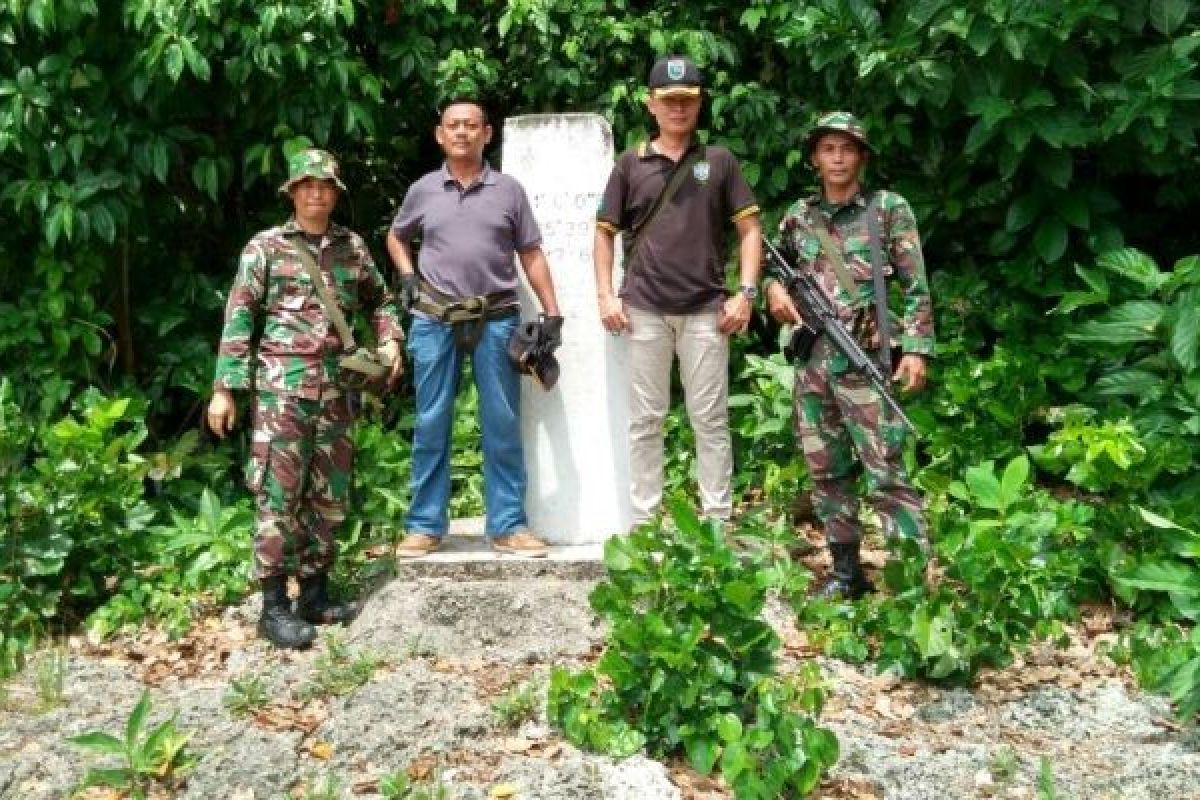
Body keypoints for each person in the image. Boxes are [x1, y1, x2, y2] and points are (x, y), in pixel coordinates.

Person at [207, 148, 404, 648]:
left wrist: (391, 340)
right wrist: (225, 389)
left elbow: (379, 300)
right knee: (278, 496)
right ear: (293, 192)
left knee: (327, 495)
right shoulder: (265, 248)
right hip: (281, 393)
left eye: (326, 185)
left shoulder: (351, 247)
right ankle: (273, 607)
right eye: (308, 185)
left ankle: (313, 595)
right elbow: (239, 318)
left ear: (336, 193)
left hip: (336, 390)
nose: (317, 193)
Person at [764, 111, 935, 599]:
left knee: (887, 473)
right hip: (814, 364)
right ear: (816, 158)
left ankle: (909, 585)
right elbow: (773, 263)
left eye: (847, 149)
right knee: (826, 473)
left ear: (861, 157)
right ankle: (846, 575)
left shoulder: (887, 210)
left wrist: (917, 349)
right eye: (828, 149)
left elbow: (916, 285)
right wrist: (774, 291)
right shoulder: (799, 217)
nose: (837, 158)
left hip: (869, 362)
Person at [386, 97, 563, 559]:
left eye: (471, 125)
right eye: (453, 125)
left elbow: (531, 253)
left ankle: (507, 525)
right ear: (440, 135)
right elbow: (396, 234)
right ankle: (425, 524)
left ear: (487, 134)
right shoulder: (423, 189)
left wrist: (551, 311)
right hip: (434, 319)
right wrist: (406, 274)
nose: (462, 132)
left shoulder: (508, 191)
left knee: (502, 422)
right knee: (431, 421)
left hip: (497, 317)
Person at [593, 55, 762, 526]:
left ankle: (717, 522)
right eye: (669, 101)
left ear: (699, 103)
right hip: (644, 309)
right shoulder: (630, 164)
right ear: (651, 104)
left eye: (687, 100)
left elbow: (750, 230)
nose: (678, 109)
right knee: (645, 421)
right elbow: (604, 232)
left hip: (707, 310)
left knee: (710, 420)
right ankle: (645, 523)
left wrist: (745, 294)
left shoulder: (719, 161)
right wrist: (606, 296)